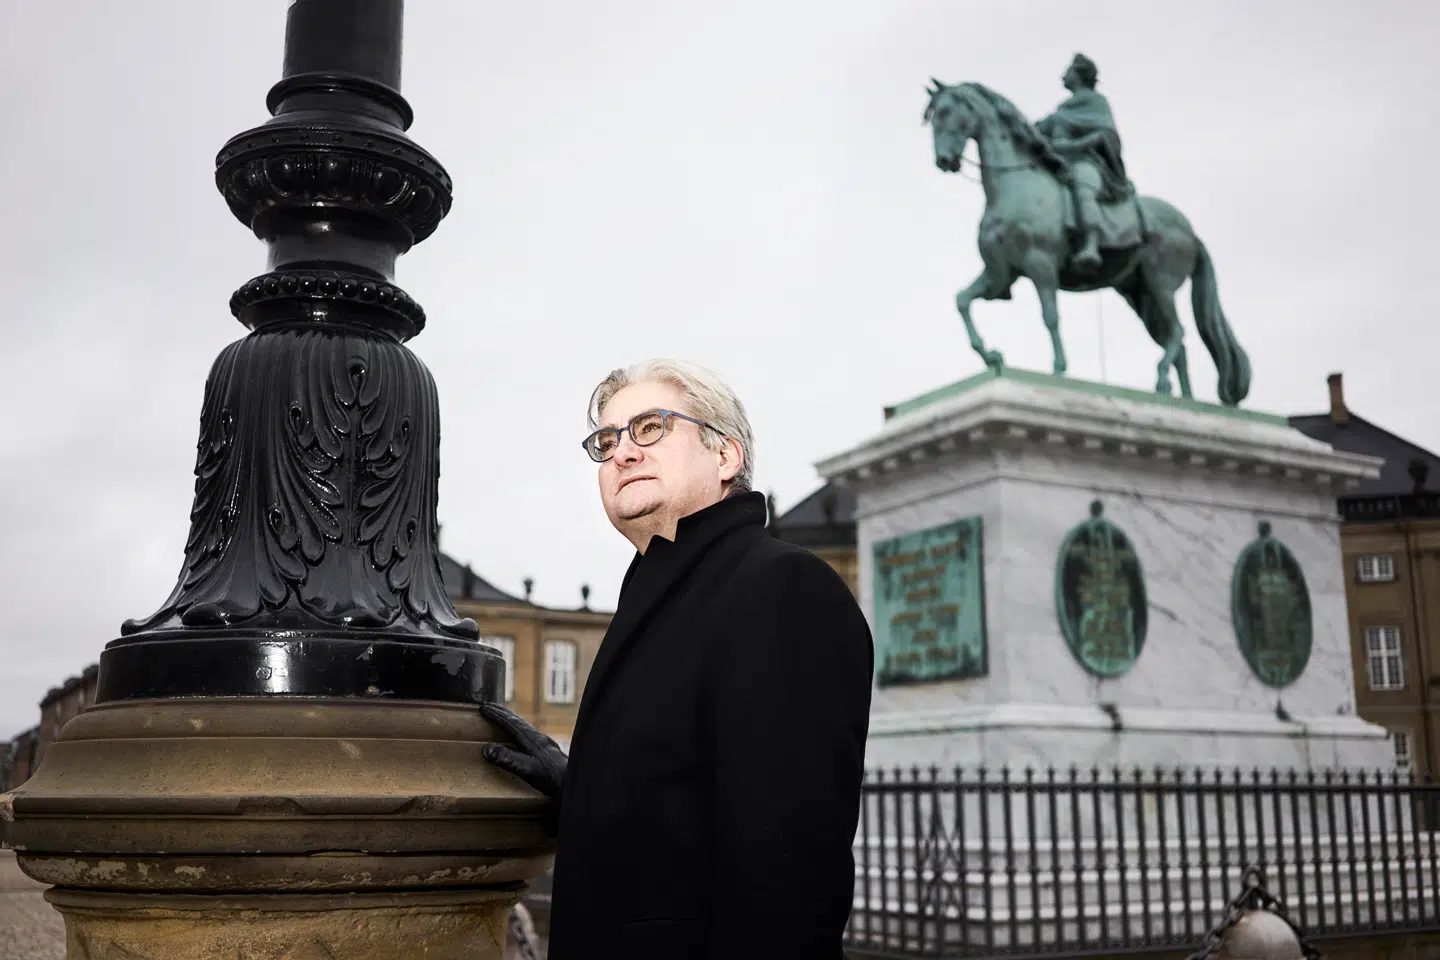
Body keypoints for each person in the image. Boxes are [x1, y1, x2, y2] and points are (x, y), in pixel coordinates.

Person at [480, 358, 874, 958]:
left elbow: (789, 877)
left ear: (726, 456)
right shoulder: (658, 595)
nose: (622, 452)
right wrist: (577, 789)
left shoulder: (782, 587)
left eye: (650, 427)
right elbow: (680, 818)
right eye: (606, 442)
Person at [1034, 53, 1133, 272]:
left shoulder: (1097, 102)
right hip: (1057, 163)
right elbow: (1038, 130)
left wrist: (1076, 145)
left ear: (1079, 75)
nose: (1063, 75)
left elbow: (1107, 134)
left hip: (1085, 161)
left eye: (1068, 71)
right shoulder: (1062, 109)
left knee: (1083, 185)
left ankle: (1091, 243)